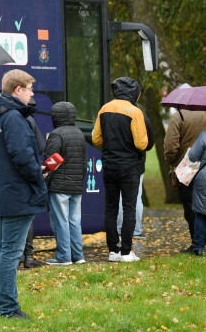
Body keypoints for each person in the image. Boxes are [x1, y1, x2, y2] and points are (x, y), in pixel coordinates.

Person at [0, 69, 47, 320]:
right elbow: (21, 155)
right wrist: (37, 176)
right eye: (30, 88)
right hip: (17, 191)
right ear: (17, 90)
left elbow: (13, 155)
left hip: (4, 188)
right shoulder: (12, 117)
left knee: (3, 251)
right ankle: (9, 309)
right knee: (10, 252)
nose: (32, 93)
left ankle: (5, 305)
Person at [92, 77, 149, 263]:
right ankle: (126, 252)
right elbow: (141, 143)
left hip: (109, 165)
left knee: (110, 208)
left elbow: (96, 139)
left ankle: (112, 251)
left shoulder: (104, 108)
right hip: (129, 166)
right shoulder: (135, 111)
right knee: (129, 208)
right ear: (133, 92)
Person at [43, 102, 87, 266]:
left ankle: (63, 256)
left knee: (60, 221)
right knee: (75, 221)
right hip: (76, 185)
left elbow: (50, 163)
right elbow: (84, 162)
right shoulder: (79, 133)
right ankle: (78, 255)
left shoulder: (56, 135)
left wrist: (45, 183)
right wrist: (79, 180)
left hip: (59, 186)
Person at [164, 107, 206, 252]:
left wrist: (172, 161)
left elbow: (170, 146)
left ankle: (197, 243)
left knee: (191, 208)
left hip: (186, 169)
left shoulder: (179, 116)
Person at [117, 106, 154, 238]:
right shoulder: (144, 118)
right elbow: (149, 144)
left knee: (120, 196)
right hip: (138, 163)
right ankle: (136, 229)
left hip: (120, 161)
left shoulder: (119, 116)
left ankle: (120, 228)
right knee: (136, 196)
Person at [21, 97, 47, 269]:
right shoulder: (29, 120)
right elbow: (40, 146)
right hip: (28, 172)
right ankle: (28, 256)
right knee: (28, 216)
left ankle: (15, 256)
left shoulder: (3, 117)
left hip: (10, 174)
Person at [187, 130, 206, 256]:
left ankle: (198, 246)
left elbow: (192, 156)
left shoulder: (204, 134)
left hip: (205, 176)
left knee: (200, 211)